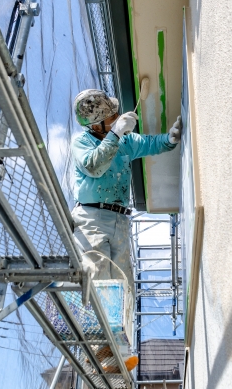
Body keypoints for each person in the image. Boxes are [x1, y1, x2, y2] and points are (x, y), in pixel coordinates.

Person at [71, 89, 181, 289]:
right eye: (112, 117)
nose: (117, 118)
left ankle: (118, 321)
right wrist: (115, 133)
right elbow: (94, 166)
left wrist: (170, 140)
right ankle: (94, 321)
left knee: (123, 284)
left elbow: (151, 143)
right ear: (96, 124)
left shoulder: (126, 142)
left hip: (119, 220)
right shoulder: (82, 142)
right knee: (96, 276)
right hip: (91, 218)